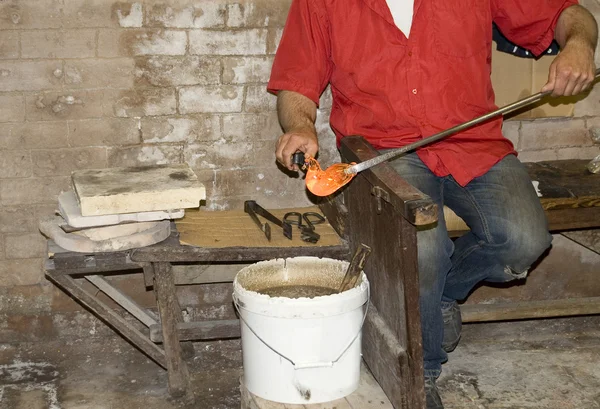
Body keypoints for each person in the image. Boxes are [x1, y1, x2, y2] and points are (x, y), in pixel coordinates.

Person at [267, 0, 597, 408]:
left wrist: (579, 45)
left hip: (472, 140)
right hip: (387, 149)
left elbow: (567, 14)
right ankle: (421, 374)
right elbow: (296, 82)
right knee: (422, 251)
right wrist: (299, 127)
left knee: (525, 239)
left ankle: (441, 295)